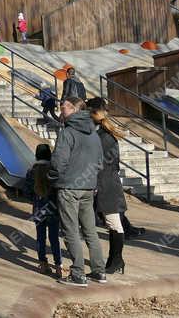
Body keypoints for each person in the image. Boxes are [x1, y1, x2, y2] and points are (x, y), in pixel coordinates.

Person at [49, 97, 106, 286]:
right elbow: (100, 162)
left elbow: (58, 161)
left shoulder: (67, 132)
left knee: (71, 230)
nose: (60, 110)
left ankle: (77, 273)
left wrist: (53, 178)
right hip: (88, 187)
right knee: (90, 230)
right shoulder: (94, 132)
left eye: (63, 107)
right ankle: (99, 271)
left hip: (69, 187)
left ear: (73, 109)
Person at [91, 108, 128, 274]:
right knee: (112, 224)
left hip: (107, 186)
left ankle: (117, 260)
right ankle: (114, 260)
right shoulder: (106, 136)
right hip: (109, 184)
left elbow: (101, 164)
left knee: (115, 224)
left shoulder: (102, 138)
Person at [25, 143, 62, 277]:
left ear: (36, 155)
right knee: (54, 238)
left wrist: (35, 200)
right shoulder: (53, 170)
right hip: (53, 208)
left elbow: (27, 191)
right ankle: (58, 265)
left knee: (40, 237)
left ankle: (43, 263)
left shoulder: (31, 171)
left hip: (38, 208)